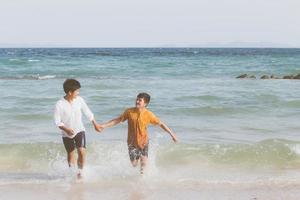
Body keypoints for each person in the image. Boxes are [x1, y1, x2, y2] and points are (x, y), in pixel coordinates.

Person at [98, 93, 178, 174]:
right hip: (131, 143)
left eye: (140, 100)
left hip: (143, 142)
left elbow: (161, 124)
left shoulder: (149, 114)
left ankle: (142, 179)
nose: (137, 101)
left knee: (143, 162)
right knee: (134, 164)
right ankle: (137, 171)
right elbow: (117, 120)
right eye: (136, 99)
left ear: (145, 103)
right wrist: (103, 126)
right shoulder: (129, 112)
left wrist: (172, 134)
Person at [54, 79, 101, 178]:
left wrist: (95, 124)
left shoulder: (79, 100)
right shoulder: (60, 104)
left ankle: (80, 173)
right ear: (70, 92)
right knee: (71, 154)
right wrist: (66, 129)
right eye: (77, 91)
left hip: (79, 129)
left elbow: (87, 112)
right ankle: (72, 174)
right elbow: (57, 122)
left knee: (82, 152)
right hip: (66, 133)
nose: (78, 93)